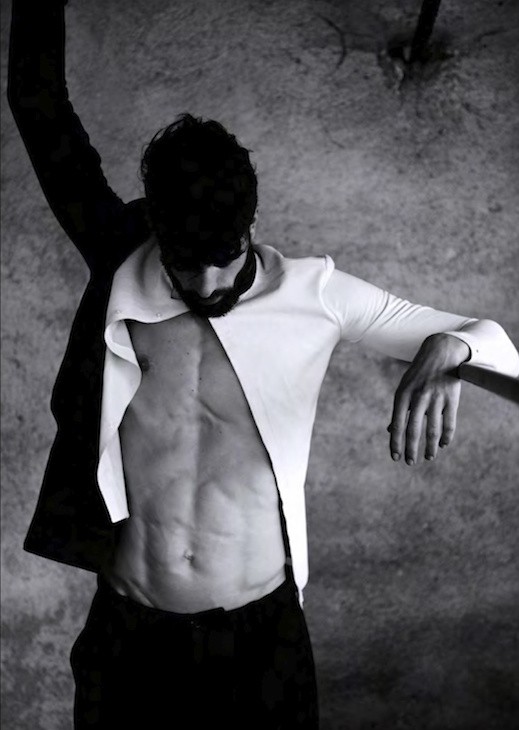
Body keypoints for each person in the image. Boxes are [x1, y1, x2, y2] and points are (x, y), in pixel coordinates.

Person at [8, 1, 519, 728]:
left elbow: (493, 342)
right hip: (131, 633)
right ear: (154, 226)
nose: (207, 285)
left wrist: (452, 344)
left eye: (224, 259)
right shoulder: (118, 253)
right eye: (185, 264)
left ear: (251, 226)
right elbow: (38, 106)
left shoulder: (314, 294)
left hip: (258, 644)